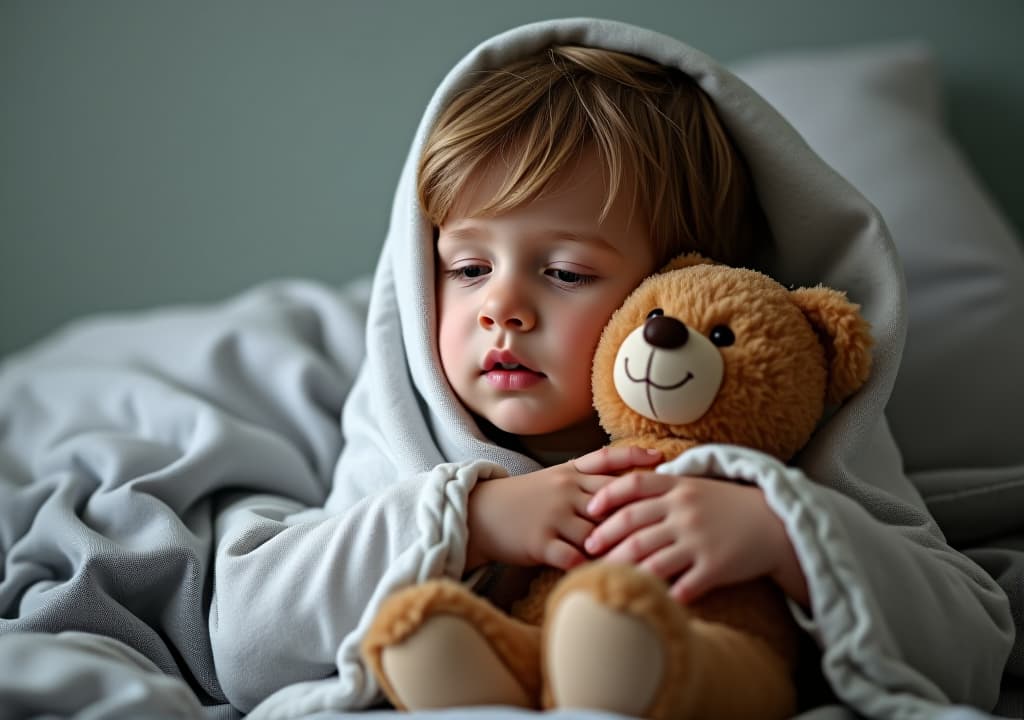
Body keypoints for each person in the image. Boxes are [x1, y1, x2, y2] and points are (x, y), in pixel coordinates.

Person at [209, 19, 1013, 719]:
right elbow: (246, 646)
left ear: (673, 284)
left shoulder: (775, 445)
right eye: (467, 269)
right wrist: (470, 522)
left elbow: (972, 647)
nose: (503, 309)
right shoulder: (407, 438)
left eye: (563, 273)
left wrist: (785, 538)